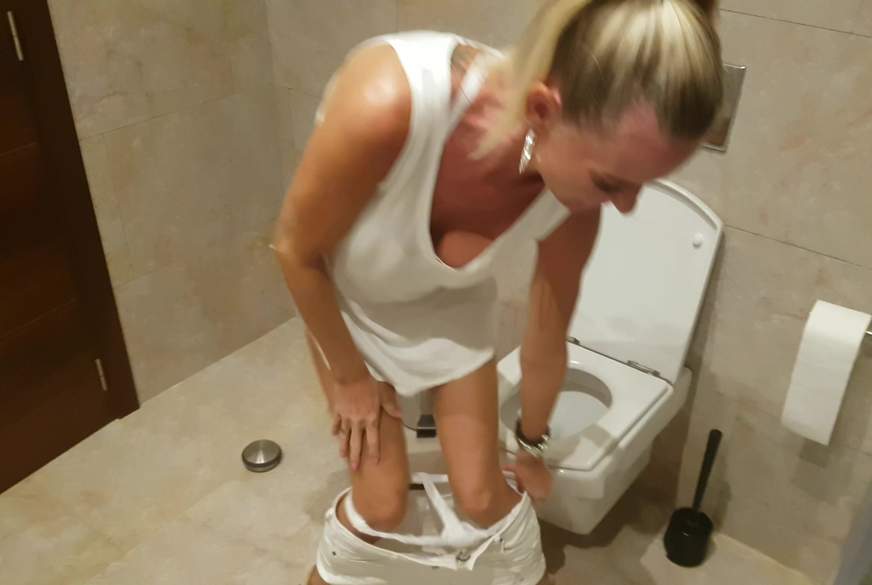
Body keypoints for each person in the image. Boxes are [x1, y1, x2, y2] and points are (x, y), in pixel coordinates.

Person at [273, 0, 723, 583]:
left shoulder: (576, 208)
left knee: (486, 498)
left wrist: (531, 450)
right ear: (542, 109)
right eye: (613, 181)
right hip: (350, 310)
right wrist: (350, 379)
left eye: (642, 185)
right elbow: (295, 251)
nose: (628, 206)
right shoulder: (389, 102)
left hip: (448, 306)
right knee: (381, 505)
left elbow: (547, 337)